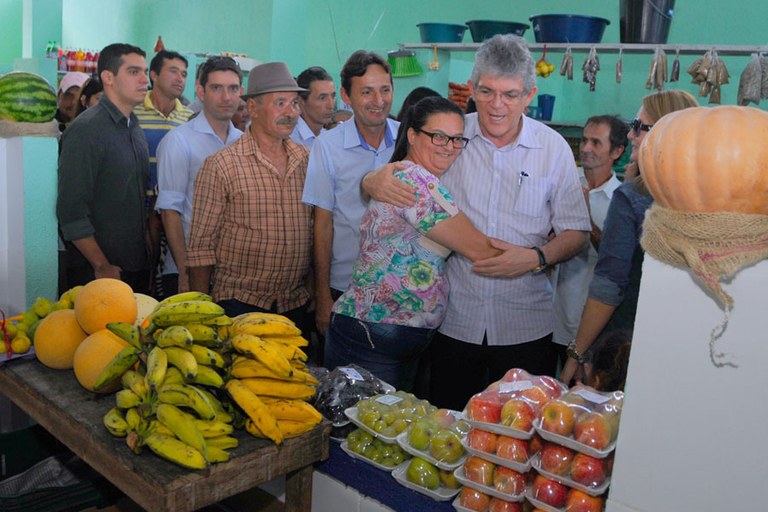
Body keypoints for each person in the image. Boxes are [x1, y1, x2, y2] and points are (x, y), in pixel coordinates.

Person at [364, 35, 591, 410]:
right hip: (454, 320)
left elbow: (577, 233)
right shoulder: (449, 137)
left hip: (525, 322)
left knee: (519, 438)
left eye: (510, 94)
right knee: (448, 434)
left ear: (529, 95)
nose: (497, 105)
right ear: (471, 88)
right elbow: (402, 171)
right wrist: (370, 180)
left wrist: (537, 257)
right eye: (486, 92)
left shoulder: (553, 149)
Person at [325, 96, 502, 391]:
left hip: (387, 332)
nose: (449, 146)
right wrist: (540, 255)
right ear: (412, 135)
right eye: (439, 136)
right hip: (374, 331)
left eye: (457, 139)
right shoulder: (415, 181)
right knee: (358, 430)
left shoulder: (407, 174)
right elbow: (479, 248)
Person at [559, 90, 699, 385]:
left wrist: (577, 353)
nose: (632, 134)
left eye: (639, 126)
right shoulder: (705, 197)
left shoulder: (632, 198)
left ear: (665, 133)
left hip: (623, 346)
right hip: (683, 343)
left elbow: (609, 286)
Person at [186, 62, 312, 329]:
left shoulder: (307, 160)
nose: (290, 113)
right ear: (253, 108)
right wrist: (203, 314)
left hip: (294, 303)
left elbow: (315, 231)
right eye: (280, 103)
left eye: (294, 104)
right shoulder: (222, 165)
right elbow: (200, 249)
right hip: (239, 304)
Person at [302, 50, 400, 337]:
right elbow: (322, 224)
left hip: (402, 290)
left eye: (385, 90)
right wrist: (322, 295)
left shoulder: (409, 139)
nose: (379, 101)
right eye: (367, 92)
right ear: (346, 95)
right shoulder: (327, 147)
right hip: (346, 287)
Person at [57, 43, 151, 293]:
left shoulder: (133, 125)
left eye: (145, 71)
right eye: (134, 72)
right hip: (99, 272)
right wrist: (101, 264)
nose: (145, 80)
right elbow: (71, 211)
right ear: (108, 77)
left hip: (134, 266)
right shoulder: (86, 130)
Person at [155, 56, 244, 295]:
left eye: (233, 88)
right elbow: (170, 211)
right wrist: (186, 271)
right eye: (217, 88)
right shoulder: (179, 141)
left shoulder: (243, 143)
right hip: (188, 270)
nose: (226, 97)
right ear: (201, 91)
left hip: (233, 274)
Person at [551, 115, 628, 364]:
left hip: (585, 320)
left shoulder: (622, 200)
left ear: (617, 151)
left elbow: (614, 260)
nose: (585, 148)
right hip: (543, 314)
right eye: (584, 140)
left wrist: (584, 219)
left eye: (596, 143)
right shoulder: (561, 181)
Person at [134, 50, 193, 297]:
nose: (180, 78)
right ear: (154, 75)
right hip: (137, 210)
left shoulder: (190, 119)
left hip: (172, 213)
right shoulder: (133, 113)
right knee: (139, 283)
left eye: (184, 74)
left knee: (165, 285)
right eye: (173, 71)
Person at [291, 66, 336, 149]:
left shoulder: (330, 139)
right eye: (322, 98)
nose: (331, 105)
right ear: (301, 101)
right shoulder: (289, 139)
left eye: (333, 96)